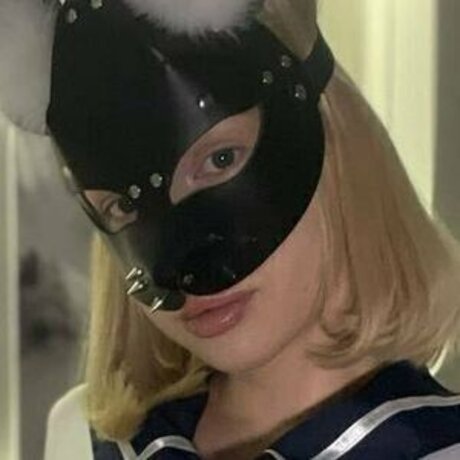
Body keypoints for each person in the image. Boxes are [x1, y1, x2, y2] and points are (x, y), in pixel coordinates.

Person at [1, 0, 460, 459]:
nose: (182, 265)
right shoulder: (82, 440)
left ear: (335, 145)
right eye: (122, 205)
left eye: (221, 159)